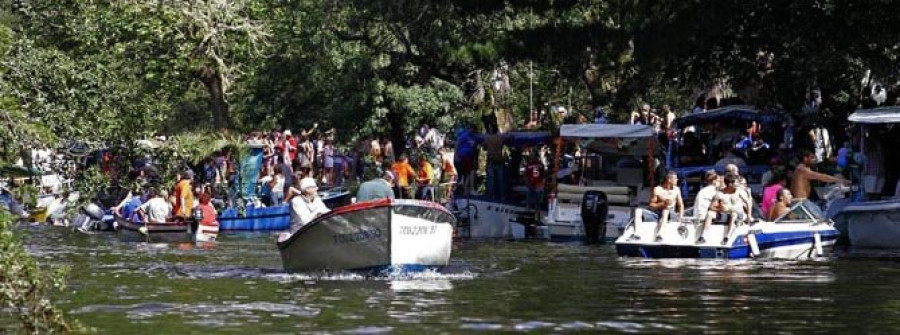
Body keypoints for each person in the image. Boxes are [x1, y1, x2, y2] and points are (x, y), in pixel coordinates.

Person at [647, 171, 685, 242]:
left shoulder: (677, 189)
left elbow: (681, 205)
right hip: (658, 212)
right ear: (669, 180)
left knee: (666, 210)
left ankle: (660, 234)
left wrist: (681, 216)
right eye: (675, 178)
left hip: (671, 213)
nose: (677, 180)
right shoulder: (657, 189)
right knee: (638, 211)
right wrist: (663, 204)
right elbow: (651, 205)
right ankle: (636, 235)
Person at [482, 126, 508, 201]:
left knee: (491, 178)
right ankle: (502, 196)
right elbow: (507, 139)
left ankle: (491, 196)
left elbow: (484, 147)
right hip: (499, 159)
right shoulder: (500, 138)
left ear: (490, 130)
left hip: (491, 160)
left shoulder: (488, 138)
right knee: (501, 179)